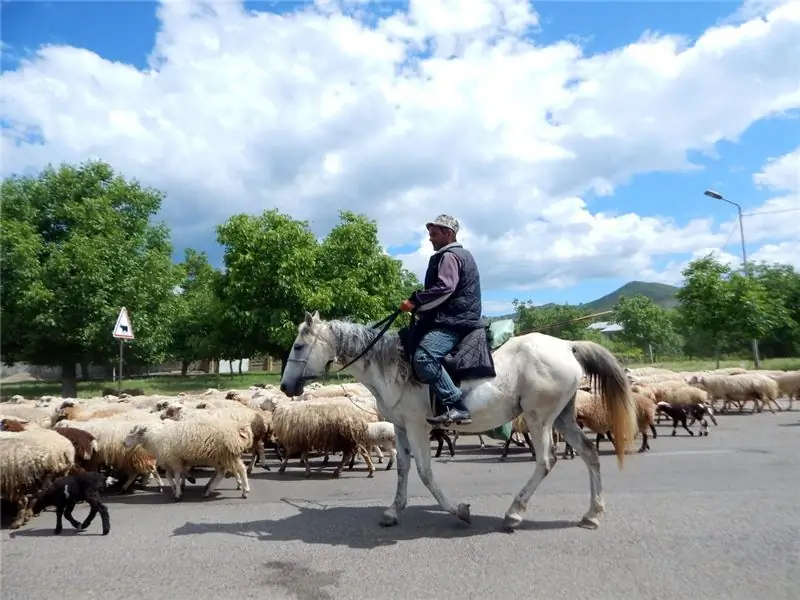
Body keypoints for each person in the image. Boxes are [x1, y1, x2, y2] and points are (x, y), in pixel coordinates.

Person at [400, 214, 483, 426]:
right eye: (430, 235)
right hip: (457, 316)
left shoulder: (449, 256)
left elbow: (445, 288)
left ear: (449, 233)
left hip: (453, 322)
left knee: (424, 358)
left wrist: (415, 300)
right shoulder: (463, 254)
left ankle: (457, 406)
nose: (430, 239)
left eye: (434, 234)